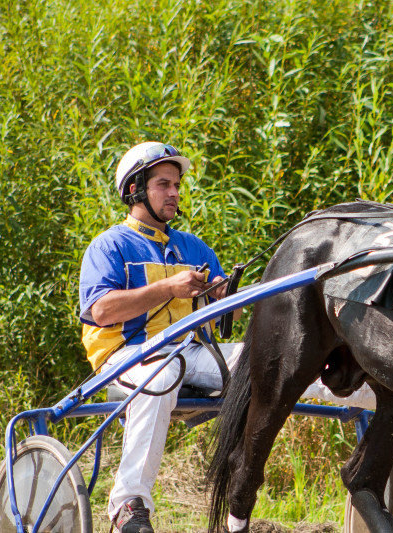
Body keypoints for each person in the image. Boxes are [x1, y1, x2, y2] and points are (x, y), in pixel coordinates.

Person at [79, 142, 242, 533]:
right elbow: (101, 311)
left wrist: (226, 296)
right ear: (135, 190)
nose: (174, 193)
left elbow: (227, 317)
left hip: (193, 354)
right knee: (164, 372)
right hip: (126, 357)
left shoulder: (194, 248)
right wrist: (170, 287)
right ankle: (127, 506)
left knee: (267, 360)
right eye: (163, 184)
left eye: (177, 185)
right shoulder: (109, 245)